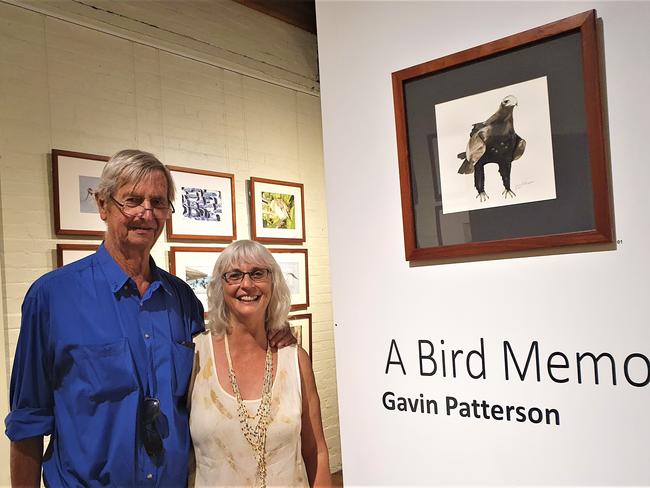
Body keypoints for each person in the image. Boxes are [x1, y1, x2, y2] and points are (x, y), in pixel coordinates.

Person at [5, 150, 294, 487]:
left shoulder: (181, 299)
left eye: (158, 202)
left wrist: (273, 330)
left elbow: (216, 369)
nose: (146, 213)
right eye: (132, 200)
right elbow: (28, 422)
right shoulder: (53, 298)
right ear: (103, 205)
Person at [189, 240, 331, 487]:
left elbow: (315, 451)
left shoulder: (295, 359)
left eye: (258, 274)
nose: (247, 284)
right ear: (220, 287)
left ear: (273, 283)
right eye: (234, 275)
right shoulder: (196, 356)